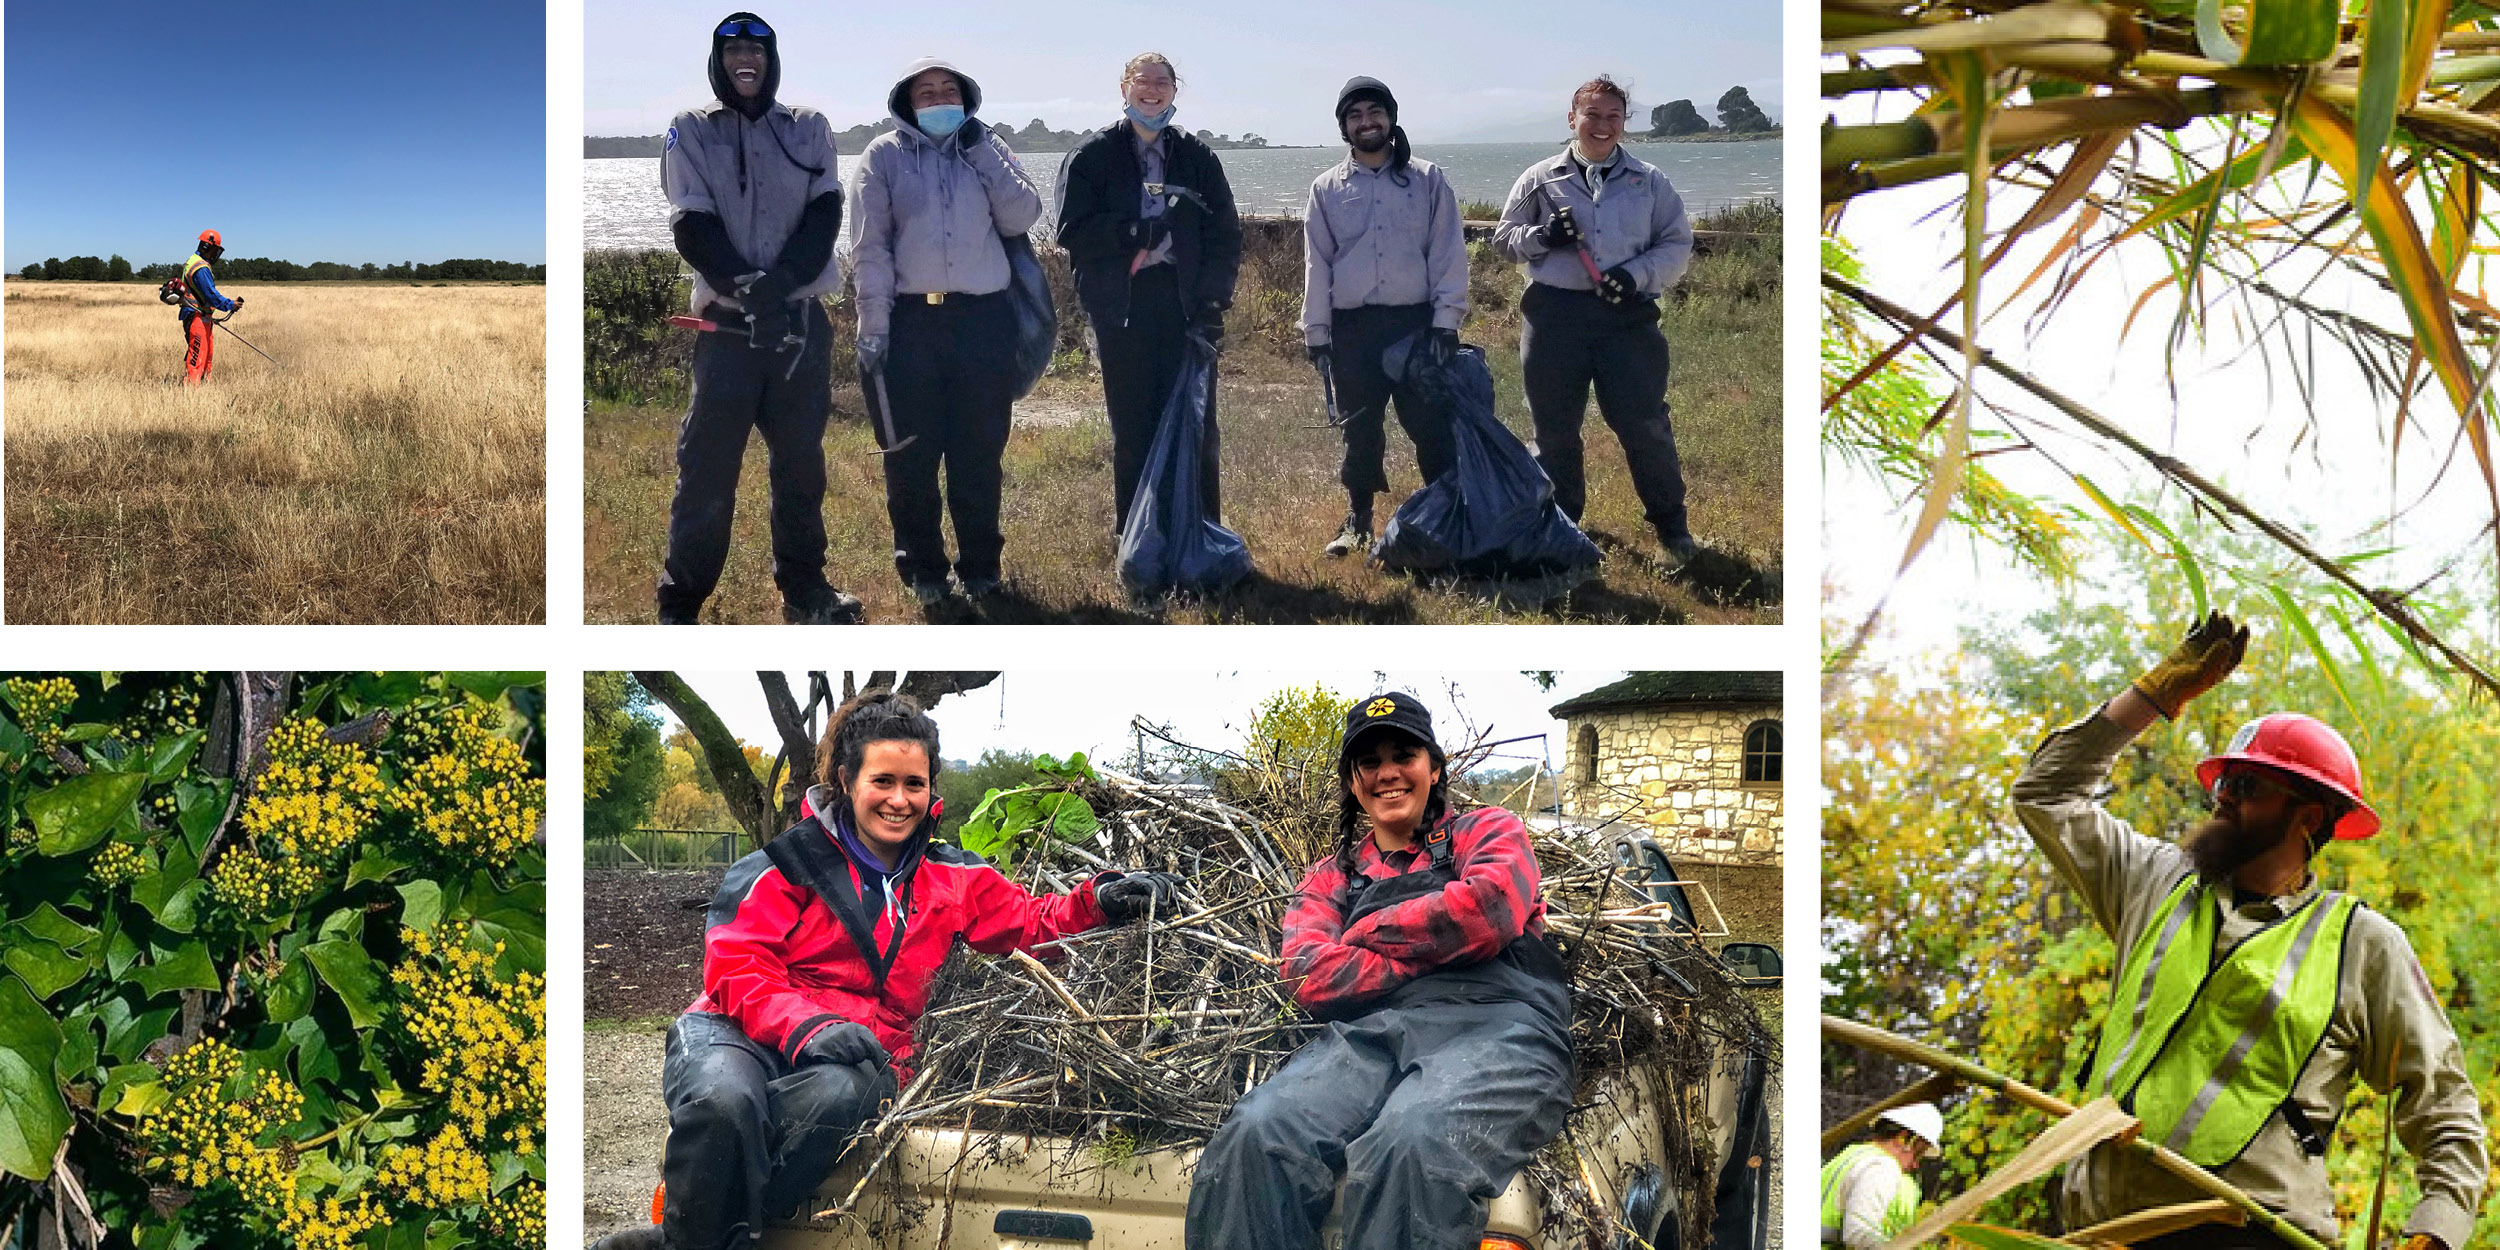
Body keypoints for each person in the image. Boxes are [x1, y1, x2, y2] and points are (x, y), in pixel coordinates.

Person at [589, 691, 1183, 1250]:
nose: (899, 799)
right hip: (736, 1031)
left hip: (852, 1060)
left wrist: (1098, 902)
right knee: (724, 1105)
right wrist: (813, 1027)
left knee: (857, 1091)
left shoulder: (955, 878)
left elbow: (1030, 923)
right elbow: (737, 966)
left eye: (914, 784)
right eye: (883, 781)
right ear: (846, 781)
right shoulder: (785, 864)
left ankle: (681, 1239)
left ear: (930, 792)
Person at [2011, 611, 2485, 1250]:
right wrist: (2155, 696)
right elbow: (2045, 793)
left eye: (2246, 785)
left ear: (2306, 816)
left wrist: (2433, 1235)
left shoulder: (2362, 945)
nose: (2222, 796)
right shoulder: (2153, 882)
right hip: (2102, 1232)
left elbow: (2449, 1114)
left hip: (2257, 1236)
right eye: (2224, 782)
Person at [1186, 691, 1573, 1250]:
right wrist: (1437, 932)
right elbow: (1307, 976)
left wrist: (1365, 933)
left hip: (1499, 1029)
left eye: (1404, 755)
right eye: (1370, 762)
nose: (1388, 773)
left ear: (1434, 768)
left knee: (1413, 1142)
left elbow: (1489, 910)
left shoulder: (1488, 830)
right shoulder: (1329, 878)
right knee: (1258, 1132)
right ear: (1351, 780)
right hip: (1374, 1033)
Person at [654, 12, 862, 626]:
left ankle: (806, 590)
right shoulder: (689, 129)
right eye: (733, 49)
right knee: (707, 467)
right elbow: (689, 221)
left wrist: (781, 288)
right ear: (718, 61)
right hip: (727, 331)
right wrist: (749, 289)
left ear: (772, 61)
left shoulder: (810, 127)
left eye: (757, 50)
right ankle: (680, 601)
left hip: (799, 328)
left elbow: (826, 212)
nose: (746, 58)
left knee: (800, 464)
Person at [851, 57, 1044, 607]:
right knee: (910, 456)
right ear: (908, 103)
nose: (939, 100)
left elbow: (1022, 216)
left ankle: (982, 566)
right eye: (927, 93)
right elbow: (870, 249)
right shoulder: (882, 157)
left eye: (948, 91)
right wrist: (873, 327)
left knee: (978, 453)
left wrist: (981, 150)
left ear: (967, 98)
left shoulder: (991, 148)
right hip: (911, 324)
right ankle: (924, 571)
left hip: (983, 323)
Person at [1492, 76, 1701, 575]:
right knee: (1554, 433)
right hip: (1554, 319)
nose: (1603, 125)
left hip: (1627, 322)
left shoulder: (1649, 181)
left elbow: (1675, 245)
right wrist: (1542, 236)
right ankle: (1563, 531)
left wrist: (1634, 276)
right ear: (1572, 119)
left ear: (1624, 123)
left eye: (1613, 116)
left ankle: (1672, 529)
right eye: (1593, 115)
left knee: (1644, 426)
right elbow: (1503, 240)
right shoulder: (1539, 180)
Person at [1055, 53, 1243, 535]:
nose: (1153, 90)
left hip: (1187, 309)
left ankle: (1202, 538)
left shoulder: (1198, 157)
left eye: (1164, 82)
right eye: (1144, 81)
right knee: (1133, 432)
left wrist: (1214, 302)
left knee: (1197, 428)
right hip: (1123, 309)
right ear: (1124, 88)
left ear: (1175, 91)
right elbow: (1072, 231)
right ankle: (1137, 541)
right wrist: (1135, 232)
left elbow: (1225, 234)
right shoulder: (1090, 156)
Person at [1300, 77, 1467, 558]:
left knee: (1431, 426)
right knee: (1360, 430)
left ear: (1391, 118)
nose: (1366, 121)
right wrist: (1316, 332)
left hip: (1416, 326)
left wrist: (1446, 323)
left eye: (1375, 112)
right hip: (1353, 330)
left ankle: (1445, 519)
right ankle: (1357, 522)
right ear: (1343, 127)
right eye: (1355, 115)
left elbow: (1448, 253)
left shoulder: (1429, 179)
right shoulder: (1326, 188)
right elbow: (1318, 262)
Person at [1818, 1103, 1939, 1248]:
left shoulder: (1853, 1154)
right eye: (1918, 1154)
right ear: (1903, 1139)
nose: (1915, 1164)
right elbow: (1859, 1233)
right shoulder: (1882, 1167)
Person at [177, 229, 241, 386]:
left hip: (201, 315)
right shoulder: (200, 267)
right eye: (215, 249)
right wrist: (230, 304)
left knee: (207, 352)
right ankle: (191, 389)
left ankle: (204, 384)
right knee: (198, 353)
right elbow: (210, 294)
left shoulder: (194, 261)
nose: (216, 254)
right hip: (195, 314)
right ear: (208, 247)